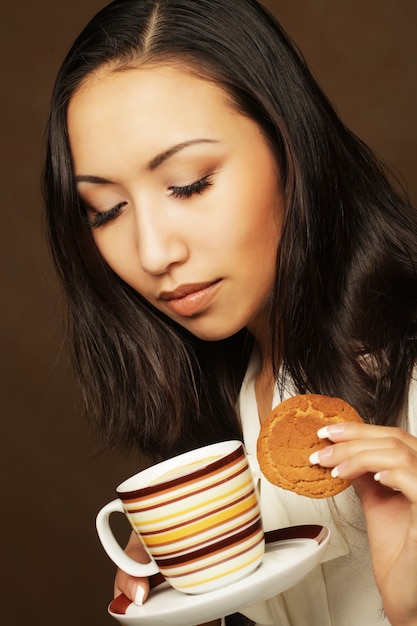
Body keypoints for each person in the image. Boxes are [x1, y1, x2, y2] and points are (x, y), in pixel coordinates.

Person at [43, 0, 417, 624]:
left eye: (188, 183)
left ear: (290, 146)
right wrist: (209, 601)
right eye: (105, 210)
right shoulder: (234, 402)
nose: (155, 253)